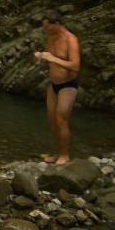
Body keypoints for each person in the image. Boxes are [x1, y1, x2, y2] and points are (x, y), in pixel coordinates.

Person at [34, 11, 80, 165]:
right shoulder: (51, 37)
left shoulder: (70, 39)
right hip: (53, 83)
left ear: (57, 24)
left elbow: (75, 66)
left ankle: (65, 155)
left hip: (68, 84)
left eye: (48, 27)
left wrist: (52, 58)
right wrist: (41, 56)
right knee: (52, 120)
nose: (45, 30)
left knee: (61, 119)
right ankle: (57, 153)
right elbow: (49, 55)